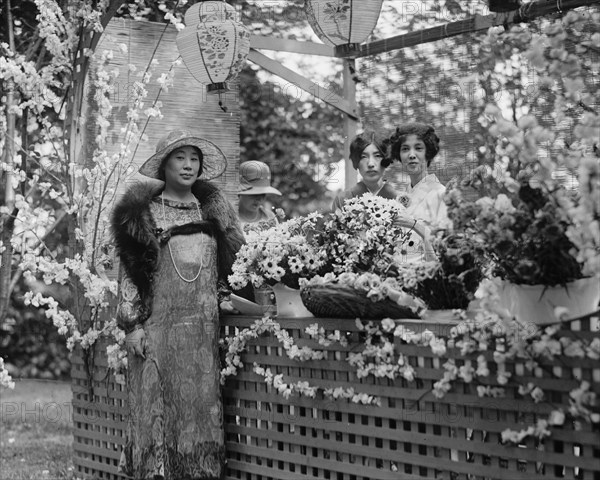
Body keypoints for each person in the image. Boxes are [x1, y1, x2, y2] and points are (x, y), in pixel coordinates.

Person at [111, 129, 244, 480]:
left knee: (199, 408)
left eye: (194, 158)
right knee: (156, 408)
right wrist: (133, 325)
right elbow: (130, 273)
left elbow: (230, 268)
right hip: (157, 328)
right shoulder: (144, 213)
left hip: (202, 330)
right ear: (164, 165)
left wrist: (227, 297)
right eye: (179, 157)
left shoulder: (214, 212)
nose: (188, 165)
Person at [389, 122, 450, 230]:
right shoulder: (400, 198)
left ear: (428, 153)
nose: (412, 155)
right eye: (405, 149)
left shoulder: (442, 195)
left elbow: (446, 241)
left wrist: (414, 225)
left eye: (418, 148)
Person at [331, 131, 397, 212]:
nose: (370, 164)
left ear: (386, 159)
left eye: (377, 156)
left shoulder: (398, 198)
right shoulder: (342, 199)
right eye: (363, 157)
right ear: (356, 161)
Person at [237, 160, 282, 233]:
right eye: (254, 194)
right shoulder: (229, 219)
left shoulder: (269, 217)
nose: (259, 199)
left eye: (263, 195)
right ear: (240, 193)